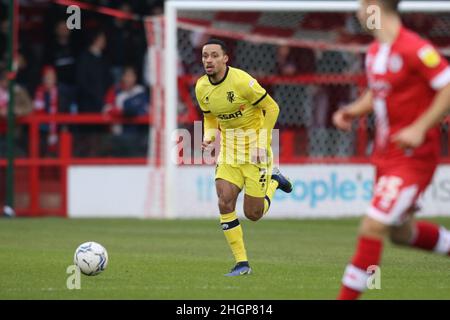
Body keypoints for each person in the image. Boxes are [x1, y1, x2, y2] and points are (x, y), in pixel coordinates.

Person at [332, 0, 450, 300]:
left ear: (373, 7)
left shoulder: (414, 48)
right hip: (386, 157)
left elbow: (448, 86)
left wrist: (420, 127)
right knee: (401, 233)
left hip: (412, 158)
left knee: (372, 226)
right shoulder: (375, 52)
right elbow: (378, 90)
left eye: (361, 5)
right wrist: (353, 111)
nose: (358, 13)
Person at [195, 39, 293, 277]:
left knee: (253, 214)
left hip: (256, 152)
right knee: (224, 201)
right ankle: (242, 263)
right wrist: (209, 135)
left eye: (214, 55)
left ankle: (274, 181)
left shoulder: (242, 81)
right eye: (205, 55)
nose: (209, 60)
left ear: (225, 58)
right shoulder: (201, 88)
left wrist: (262, 142)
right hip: (229, 152)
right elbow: (209, 117)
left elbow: (272, 108)